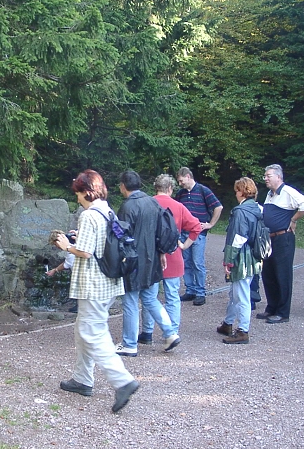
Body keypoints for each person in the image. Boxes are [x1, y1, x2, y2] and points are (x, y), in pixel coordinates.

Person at [55, 169, 140, 413]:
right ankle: (82, 379)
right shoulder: (107, 210)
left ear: (86, 192)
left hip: (93, 284)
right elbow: (102, 241)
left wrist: (66, 245)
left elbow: (85, 252)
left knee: (92, 333)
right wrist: (80, 237)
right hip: (109, 282)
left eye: (79, 195)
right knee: (84, 329)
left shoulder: (89, 215)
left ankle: (122, 381)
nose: (78, 200)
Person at [115, 170, 180, 356]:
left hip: (133, 262)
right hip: (152, 260)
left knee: (130, 301)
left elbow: (123, 236)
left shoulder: (127, 207)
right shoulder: (152, 202)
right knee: (151, 299)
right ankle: (170, 333)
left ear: (122, 186)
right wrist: (161, 253)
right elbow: (162, 231)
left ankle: (129, 343)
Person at [139, 174, 201, 345]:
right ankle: (171, 332)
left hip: (151, 257)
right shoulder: (179, 206)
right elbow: (196, 227)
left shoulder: (146, 204)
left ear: (155, 187)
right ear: (171, 189)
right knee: (172, 296)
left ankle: (147, 331)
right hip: (173, 255)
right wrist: (185, 245)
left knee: (149, 296)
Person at [258, 164, 304, 324]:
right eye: (265, 176)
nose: (265, 179)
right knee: (268, 273)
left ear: (278, 177)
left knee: (282, 274)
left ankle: (283, 312)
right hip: (269, 238)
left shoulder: (288, 191)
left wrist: (293, 219)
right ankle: (271, 307)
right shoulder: (270, 194)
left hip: (283, 238)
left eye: (268, 176)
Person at [218, 177, 263, 344]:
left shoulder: (240, 212)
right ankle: (228, 323)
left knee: (241, 294)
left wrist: (228, 261)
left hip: (242, 256)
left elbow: (237, 238)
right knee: (235, 292)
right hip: (253, 255)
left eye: (237, 190)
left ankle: (243, 331)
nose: (235, 193)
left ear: (242, 191)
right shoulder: (258, 209)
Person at [174, 167, 223, 306]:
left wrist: (210, 224)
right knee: (186, 262)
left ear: (188, 176)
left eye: (181, 180)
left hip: (198, 233)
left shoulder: (203, 190)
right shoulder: (180, 194)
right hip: (183, 232)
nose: (180, 183)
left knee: (197, 262)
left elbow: (218, 207)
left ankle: (201, 292)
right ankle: (190, 290)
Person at [47, 229, 78, 313]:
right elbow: (68, 262)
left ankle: (80, 307)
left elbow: (67, 264)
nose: (57, 247)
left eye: (55, 244)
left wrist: (55, 270)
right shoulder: (73, 243)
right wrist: (55, 270)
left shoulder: (70, 246)